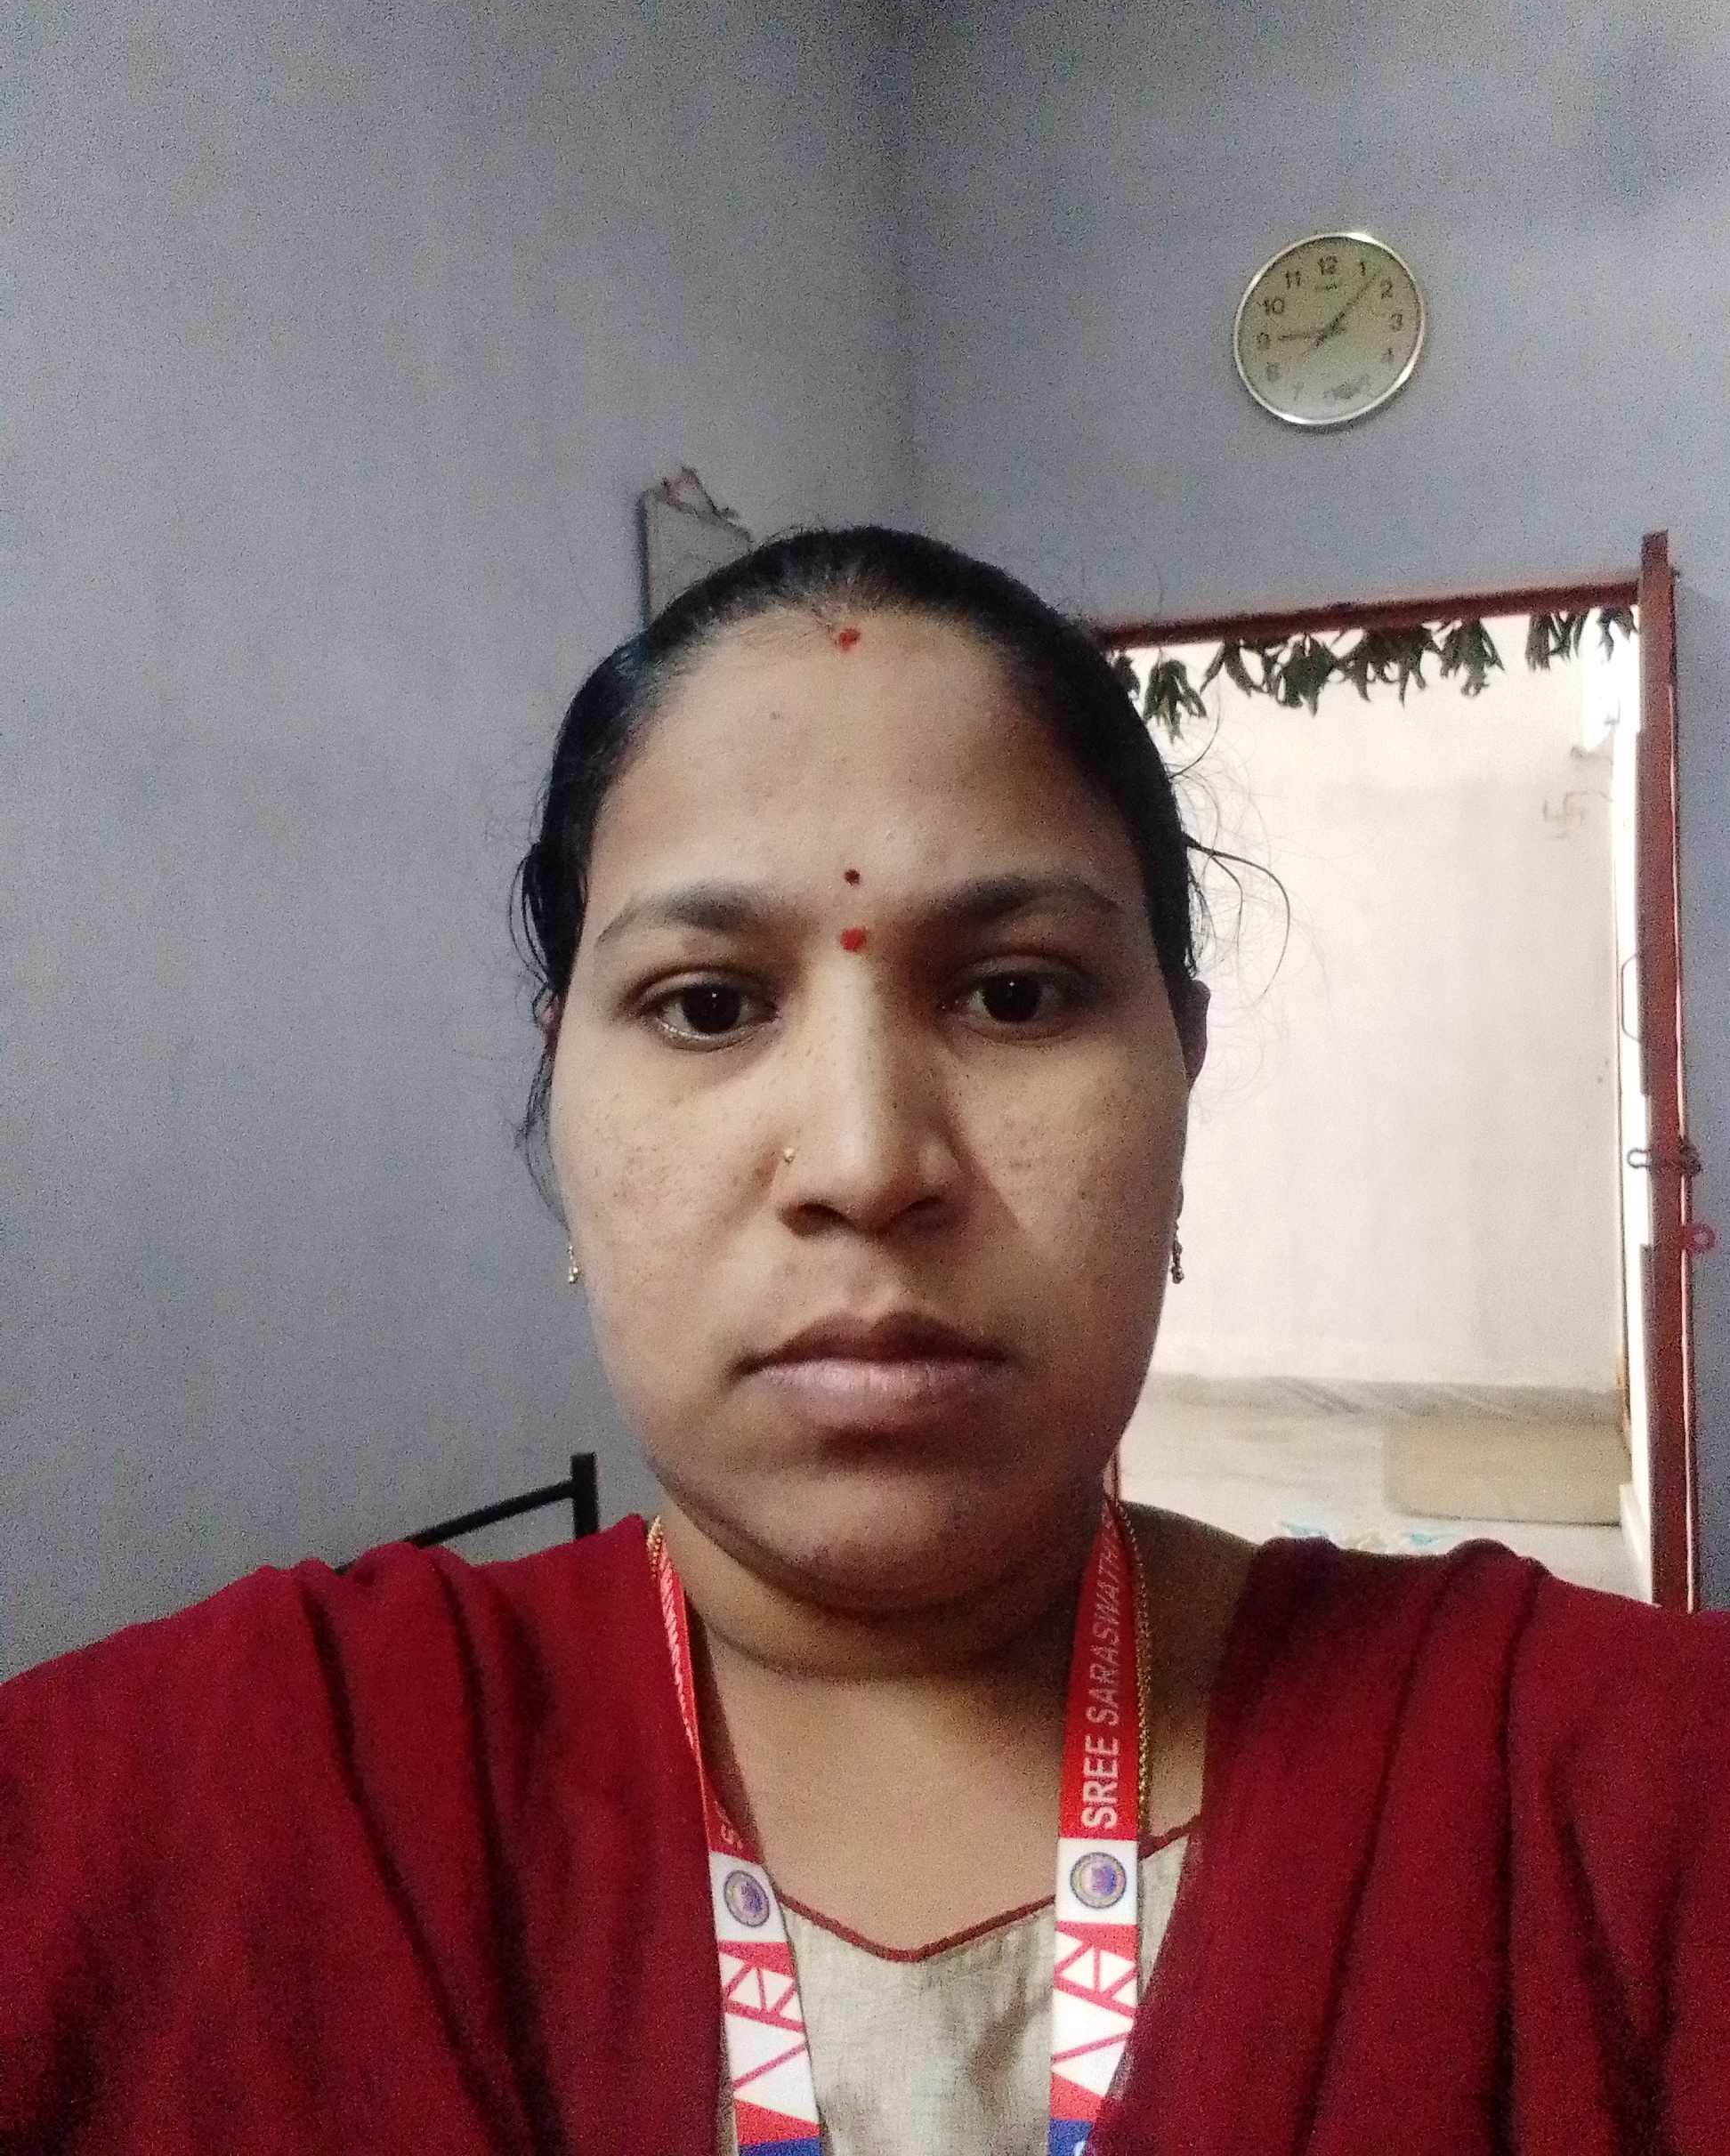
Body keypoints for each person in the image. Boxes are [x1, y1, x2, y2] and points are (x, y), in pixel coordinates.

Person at [3, 526, 1726, 2155]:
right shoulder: (194, 1807)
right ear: (560, 1092)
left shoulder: (1609, 1799)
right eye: (708, 1006)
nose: (864, 1160)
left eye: (1015, 993)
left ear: (1181, 1071)